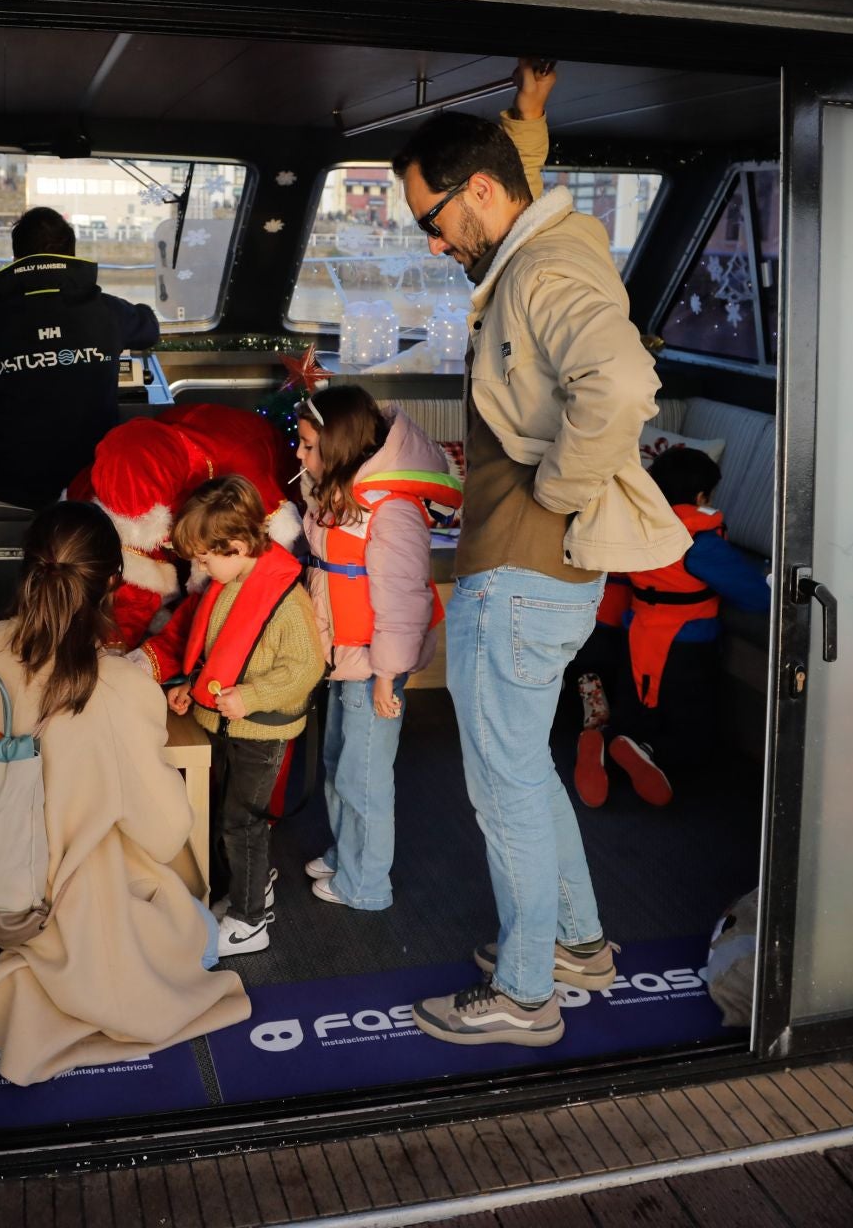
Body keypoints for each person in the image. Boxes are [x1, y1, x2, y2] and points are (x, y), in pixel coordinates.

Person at [392, 80, 693, 1048]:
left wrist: (554, 491)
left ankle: (527, 993)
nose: (434, 245)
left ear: (479, 192)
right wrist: (528, 116)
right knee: (527, 766)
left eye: (433, 221)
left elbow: (623, 382)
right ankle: (579, 943)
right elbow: (517, 178)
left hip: (521, 571)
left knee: (502, 784)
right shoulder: (549, 241)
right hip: (543, 574)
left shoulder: (540, 276)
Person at [0, 502, 248, 1085]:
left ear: (25, 569)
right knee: (202, 934)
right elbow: (166, 830)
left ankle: (18, 970)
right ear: (112, 586)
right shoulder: (118, 686)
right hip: (74, 921)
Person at [296, 384, 461, 911]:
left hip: (376, 663)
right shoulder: (342, 497)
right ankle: (348, 853)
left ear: (339, 449)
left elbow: (404, 599)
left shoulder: (391, 511)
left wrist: (388, 674)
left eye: (307, 446)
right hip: (348, 654)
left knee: (362, 774)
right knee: (337, 758)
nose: (298, 456)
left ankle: (366, 884)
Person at [164, 476, 325, 958]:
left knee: (244, 821)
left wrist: (253, 695)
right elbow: (220, 649)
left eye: (205, 557)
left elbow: (306, 666)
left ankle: (252, 920)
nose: (200, 565)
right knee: (225, 815)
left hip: (260, 730)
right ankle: (251, 889)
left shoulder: (284, 601)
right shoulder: (232, 580)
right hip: (226, 725)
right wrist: (191, 689)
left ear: (235, 546)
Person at [599, 447, 771, 806]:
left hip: (637, 633)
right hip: (687, 645)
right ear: (700, 497)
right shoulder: (699, 542)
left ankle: (604, 747)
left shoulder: (636, 529)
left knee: (638, 705)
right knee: (690, 724)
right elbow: (755, 596)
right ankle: (650, 753)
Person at [0, 207, 160, 509]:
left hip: (18, 485)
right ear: (72, 254)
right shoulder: (107, 311)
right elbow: (149, 329)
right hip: (93, 485)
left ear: (16, 259)